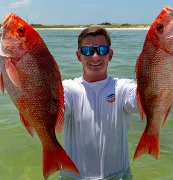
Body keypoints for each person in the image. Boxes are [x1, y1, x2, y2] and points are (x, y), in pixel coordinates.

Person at [59, 26, 138, 180]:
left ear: (110, 54)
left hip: (119, 176)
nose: (95, 56)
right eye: (87, 51)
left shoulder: (122, 87)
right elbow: (55, 109)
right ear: (78, 55)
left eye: (102, 50)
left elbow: (143, 102)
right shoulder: (67, 88)